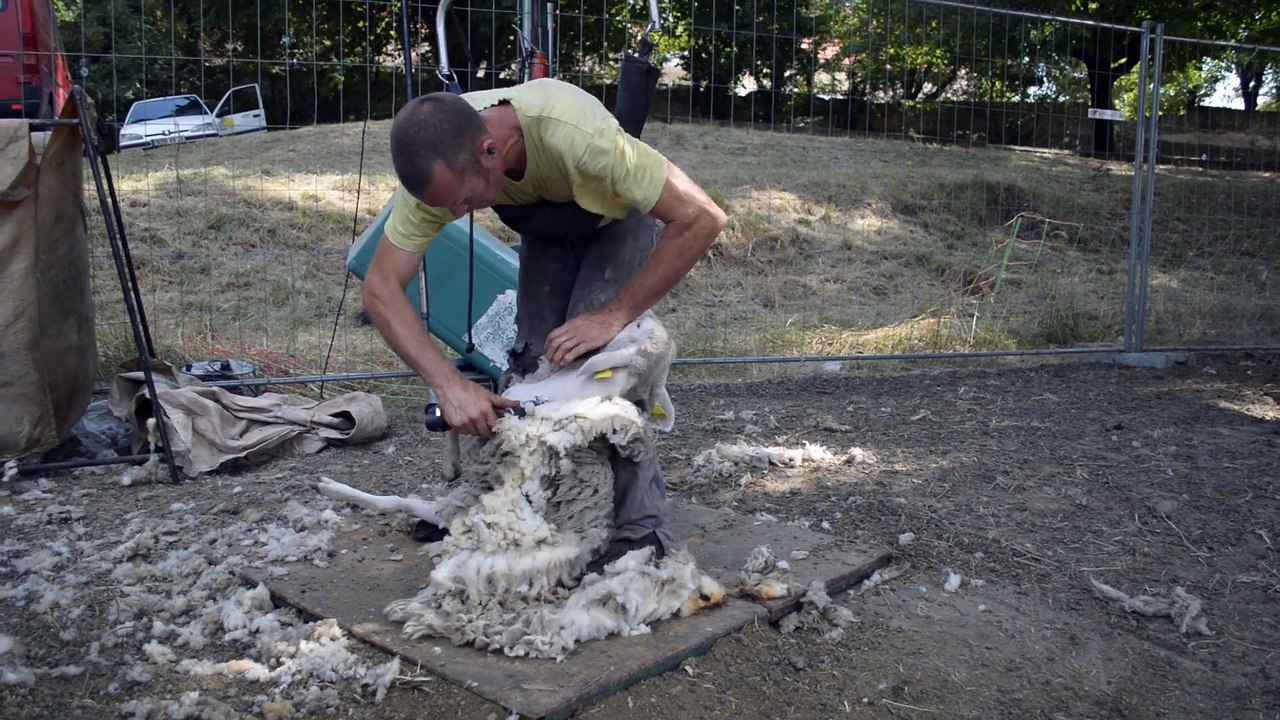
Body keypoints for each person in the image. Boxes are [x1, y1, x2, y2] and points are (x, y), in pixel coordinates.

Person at [362, 77, 727, 564]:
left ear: (490, 151)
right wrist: (448, 384)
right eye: (444, 206)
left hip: (615, 218)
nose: (455, 215)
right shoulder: (440, 166)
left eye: (464, 200)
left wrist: (612, 315)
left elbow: (703, 218)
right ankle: (506, 504)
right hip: (545, 224)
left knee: (602, 369)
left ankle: (641, 529)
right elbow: (380, 288)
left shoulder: (579, 137)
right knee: (533, 365)